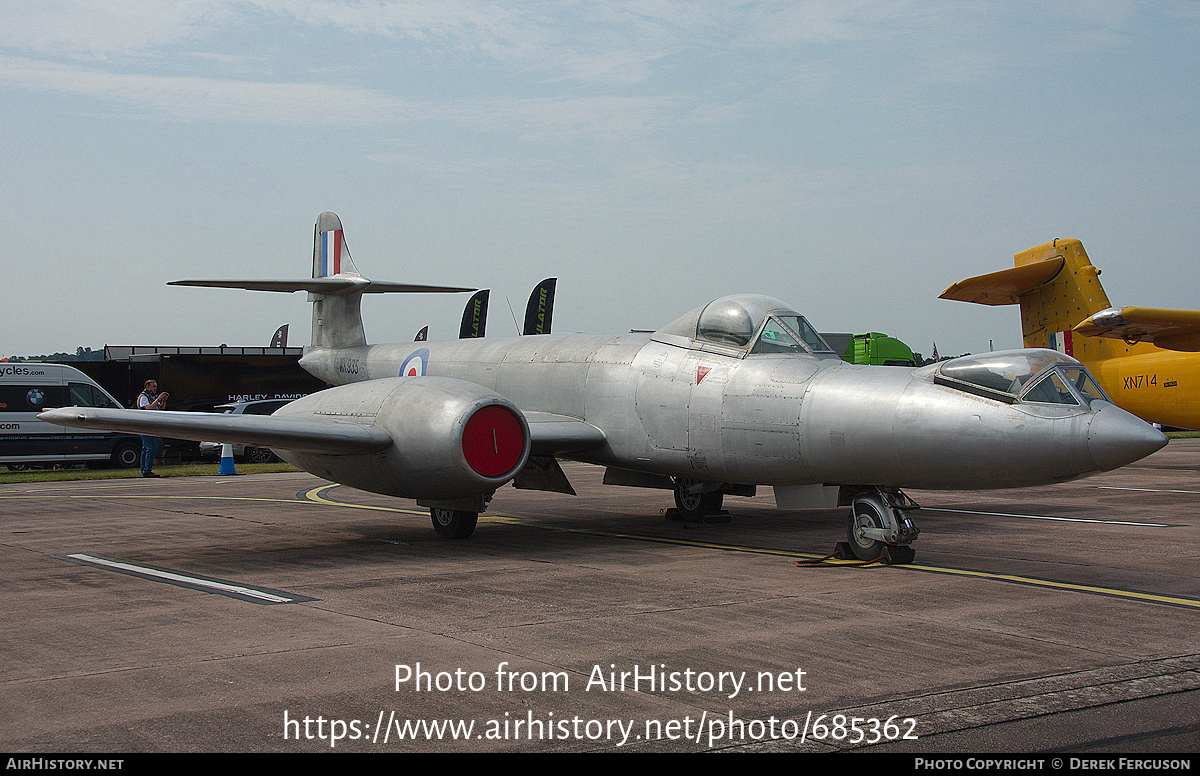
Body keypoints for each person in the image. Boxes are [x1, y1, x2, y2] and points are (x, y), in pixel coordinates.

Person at [136, 380, 168, 477]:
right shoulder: (143, 397)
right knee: (151, 447)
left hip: (151, 425)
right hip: (145, 426)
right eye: (153, 386)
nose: (155, 389)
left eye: (156, 387)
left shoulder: (151, 397)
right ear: (147, 386)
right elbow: (149, 408)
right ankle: (146, 470)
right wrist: (158, 399)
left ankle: (145, 470)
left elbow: (160, 409)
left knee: (147, 448)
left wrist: (164, 400)